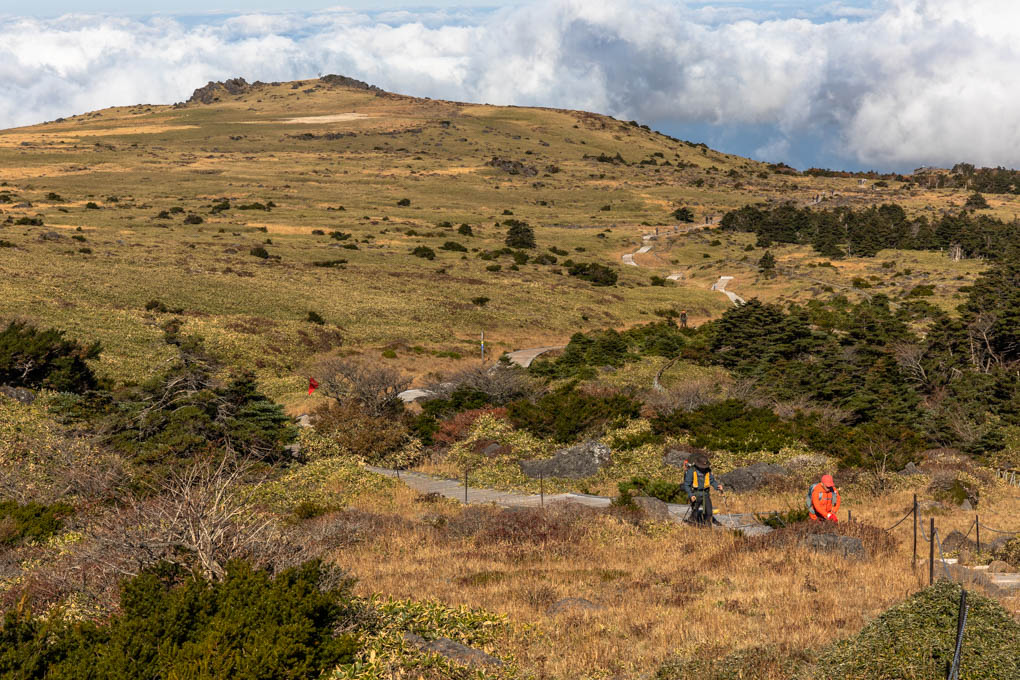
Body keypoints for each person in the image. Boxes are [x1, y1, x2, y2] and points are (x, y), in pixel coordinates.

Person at [683, 452, 723, 526]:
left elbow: (712, 481)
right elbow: (686, 485)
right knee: (695, 511)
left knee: (709, 512)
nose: (704, 468)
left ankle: (708, 526)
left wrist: (717, 486)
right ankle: (692, 523)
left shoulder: (708, 471)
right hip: (695, 494)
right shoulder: (691, 471)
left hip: (705, 494)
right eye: (702, 466)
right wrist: (691, 495)